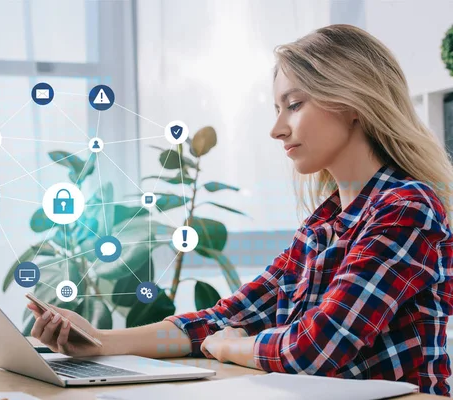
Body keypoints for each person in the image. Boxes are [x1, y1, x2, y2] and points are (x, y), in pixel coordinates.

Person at [27, 24, 453, 396]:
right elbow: (223, 317)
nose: (277, 128)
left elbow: (314, 349)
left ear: (352, 102)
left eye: (295, 104)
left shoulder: (407, 210)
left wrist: (232, 346)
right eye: (277, 108)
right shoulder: (321, 226)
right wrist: (101, 341)